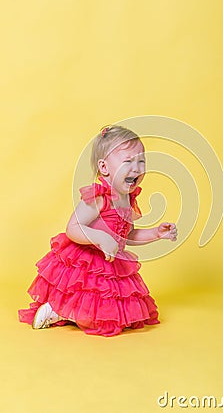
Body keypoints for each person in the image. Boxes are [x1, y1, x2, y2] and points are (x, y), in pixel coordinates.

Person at [18, 125, 177, 337]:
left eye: (141, 161)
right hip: (87, 262)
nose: (137, 168)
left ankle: (70, 311)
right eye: (128, 161)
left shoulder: (128, 200)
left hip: (111, 263)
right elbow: (72, 227)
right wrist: (99, 237)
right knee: (93, 306)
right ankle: (58, 309)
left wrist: (156, 233)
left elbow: (127, 236)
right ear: (104, 168)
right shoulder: (99, 197)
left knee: (114, 314)